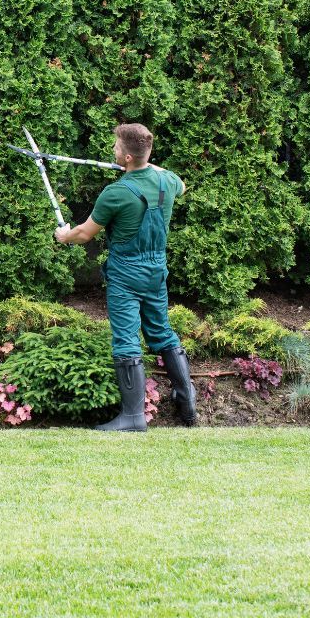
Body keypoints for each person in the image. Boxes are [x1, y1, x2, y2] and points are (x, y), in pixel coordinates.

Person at [53, 123, 197, 430]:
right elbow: (181, 184)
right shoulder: (168, 182)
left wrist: (64, 236)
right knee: (161, 331)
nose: (113, 151)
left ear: (127, 157)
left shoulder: (116, 193)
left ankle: (133, 417)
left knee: (126, 338)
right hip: (156, 271)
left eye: (117, 147)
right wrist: (146, 164)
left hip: (126, 274)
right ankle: (187, 401)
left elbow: (84, 234)